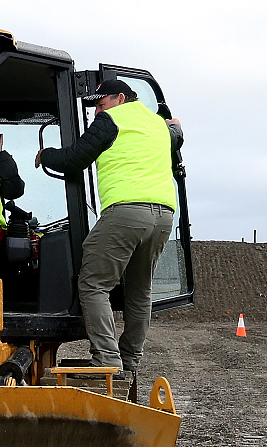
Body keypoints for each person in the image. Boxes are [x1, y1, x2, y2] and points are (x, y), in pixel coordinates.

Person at [35, 79, 182, 402]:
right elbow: (177, 135)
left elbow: (74, 158)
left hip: (128, 212)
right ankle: (129, 359)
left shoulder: (112, 120)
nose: (96, 112)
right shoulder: (157, 125)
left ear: (119, 98)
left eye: (100, 104)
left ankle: (108, 360)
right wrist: (177, 127)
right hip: (164, 217)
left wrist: (45, 155)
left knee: (93, 284)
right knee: (140, 292)